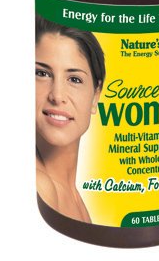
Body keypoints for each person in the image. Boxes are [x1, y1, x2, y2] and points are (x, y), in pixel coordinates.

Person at [35, 15, 105, 223]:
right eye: (42, 73)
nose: (57, 96)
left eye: (74, 79)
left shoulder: (72, 195)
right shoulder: (40, 185)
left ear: (95, 95)